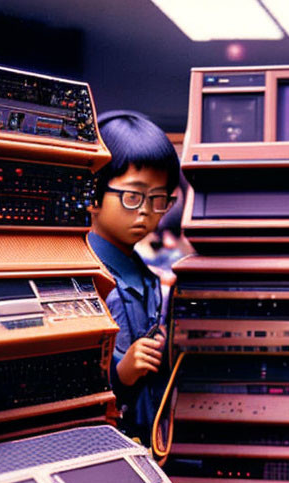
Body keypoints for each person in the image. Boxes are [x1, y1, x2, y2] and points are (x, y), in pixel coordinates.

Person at [87, 110, 181, 446]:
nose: (145, 211)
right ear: (92, 193)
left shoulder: (145, 275)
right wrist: (120, 372)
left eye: (158, 200)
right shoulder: (81, 273)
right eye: (132, 196)